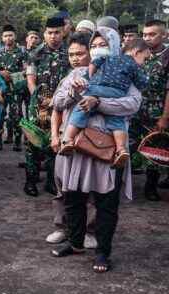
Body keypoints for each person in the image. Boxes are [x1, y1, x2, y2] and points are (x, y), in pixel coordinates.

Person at [50, 32, 142, 274]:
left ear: (115, 46)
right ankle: (76, 242)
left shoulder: (125, 73)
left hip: (109, 149)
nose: (99, 49)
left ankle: (103, 252)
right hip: (78, 147)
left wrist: (97, 102)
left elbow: (133, 104)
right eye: (94, 45)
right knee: (74, 199)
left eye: (104, 45)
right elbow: (58, 103)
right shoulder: (78, 73)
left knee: (106, 204)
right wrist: (74, 91)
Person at [59, 38, 150, 167]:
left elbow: (95, 63)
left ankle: (68, 140)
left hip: (97, 87)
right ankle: (121, 149)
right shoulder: (134, 66)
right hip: (117, 93)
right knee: (117, 119)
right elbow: (143, 83)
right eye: (145, 59)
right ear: (136, 52)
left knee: (81, 109)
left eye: (102, 44)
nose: (144, 63)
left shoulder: (109, 58)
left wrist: (92, 78)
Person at [45, 31, 97, 247]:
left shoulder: (101, 78)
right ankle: (63, 228)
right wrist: (54, 135)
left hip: (92, 141)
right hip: (66, 142)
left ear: (91, 53)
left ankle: (88, 231)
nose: (75, 58)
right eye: (71, 54)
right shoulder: (67, 79)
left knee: (90, 188)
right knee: (62, 186)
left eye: (80, 54)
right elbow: (56, 109)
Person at [24, 16, 71, 197]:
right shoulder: (34, 53)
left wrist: (55, 102)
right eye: (50, 33)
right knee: (33, 143)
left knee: (55, 143)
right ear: (45, 34)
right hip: (38, 106)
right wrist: (38, 99)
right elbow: (30, 79)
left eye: (57, 32)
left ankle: (52, 181)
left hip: (60, 107)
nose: (53, 36)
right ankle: (30, 181)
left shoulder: (68, 54)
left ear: (63, 33)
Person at [135, 20, 169, 200]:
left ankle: (151, 186)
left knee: (155, 148)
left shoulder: (167, 55)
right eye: (145, 34)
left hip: (156, 111)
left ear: (164, 35)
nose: (147, 38)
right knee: (127, 144)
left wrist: (165, 117)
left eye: (152, 34)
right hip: (133, 109)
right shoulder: (139, 53)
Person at [0, 24, 29, 152]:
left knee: (17, 116)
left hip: (16, 90)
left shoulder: (22, 53)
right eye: (6, 36)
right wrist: (0, 73)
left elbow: (27, 71)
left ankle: (17, 142)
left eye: (10, 35)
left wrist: (14, 76)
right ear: (2, 38)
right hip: (1, 90)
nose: (8, 38)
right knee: (0, 115)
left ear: (15, 36)